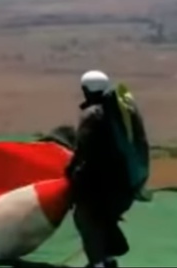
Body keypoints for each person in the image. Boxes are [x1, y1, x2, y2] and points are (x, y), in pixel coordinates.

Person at [65, 70, 148, 268]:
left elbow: (83, 152)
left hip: (101, 185)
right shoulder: (118, 112)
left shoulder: (93, 115)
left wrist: (71, 174)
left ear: (86, 90)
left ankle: (98, 263)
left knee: (85, 218)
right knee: (103, 219)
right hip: (124, 184)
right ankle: (108, 259)